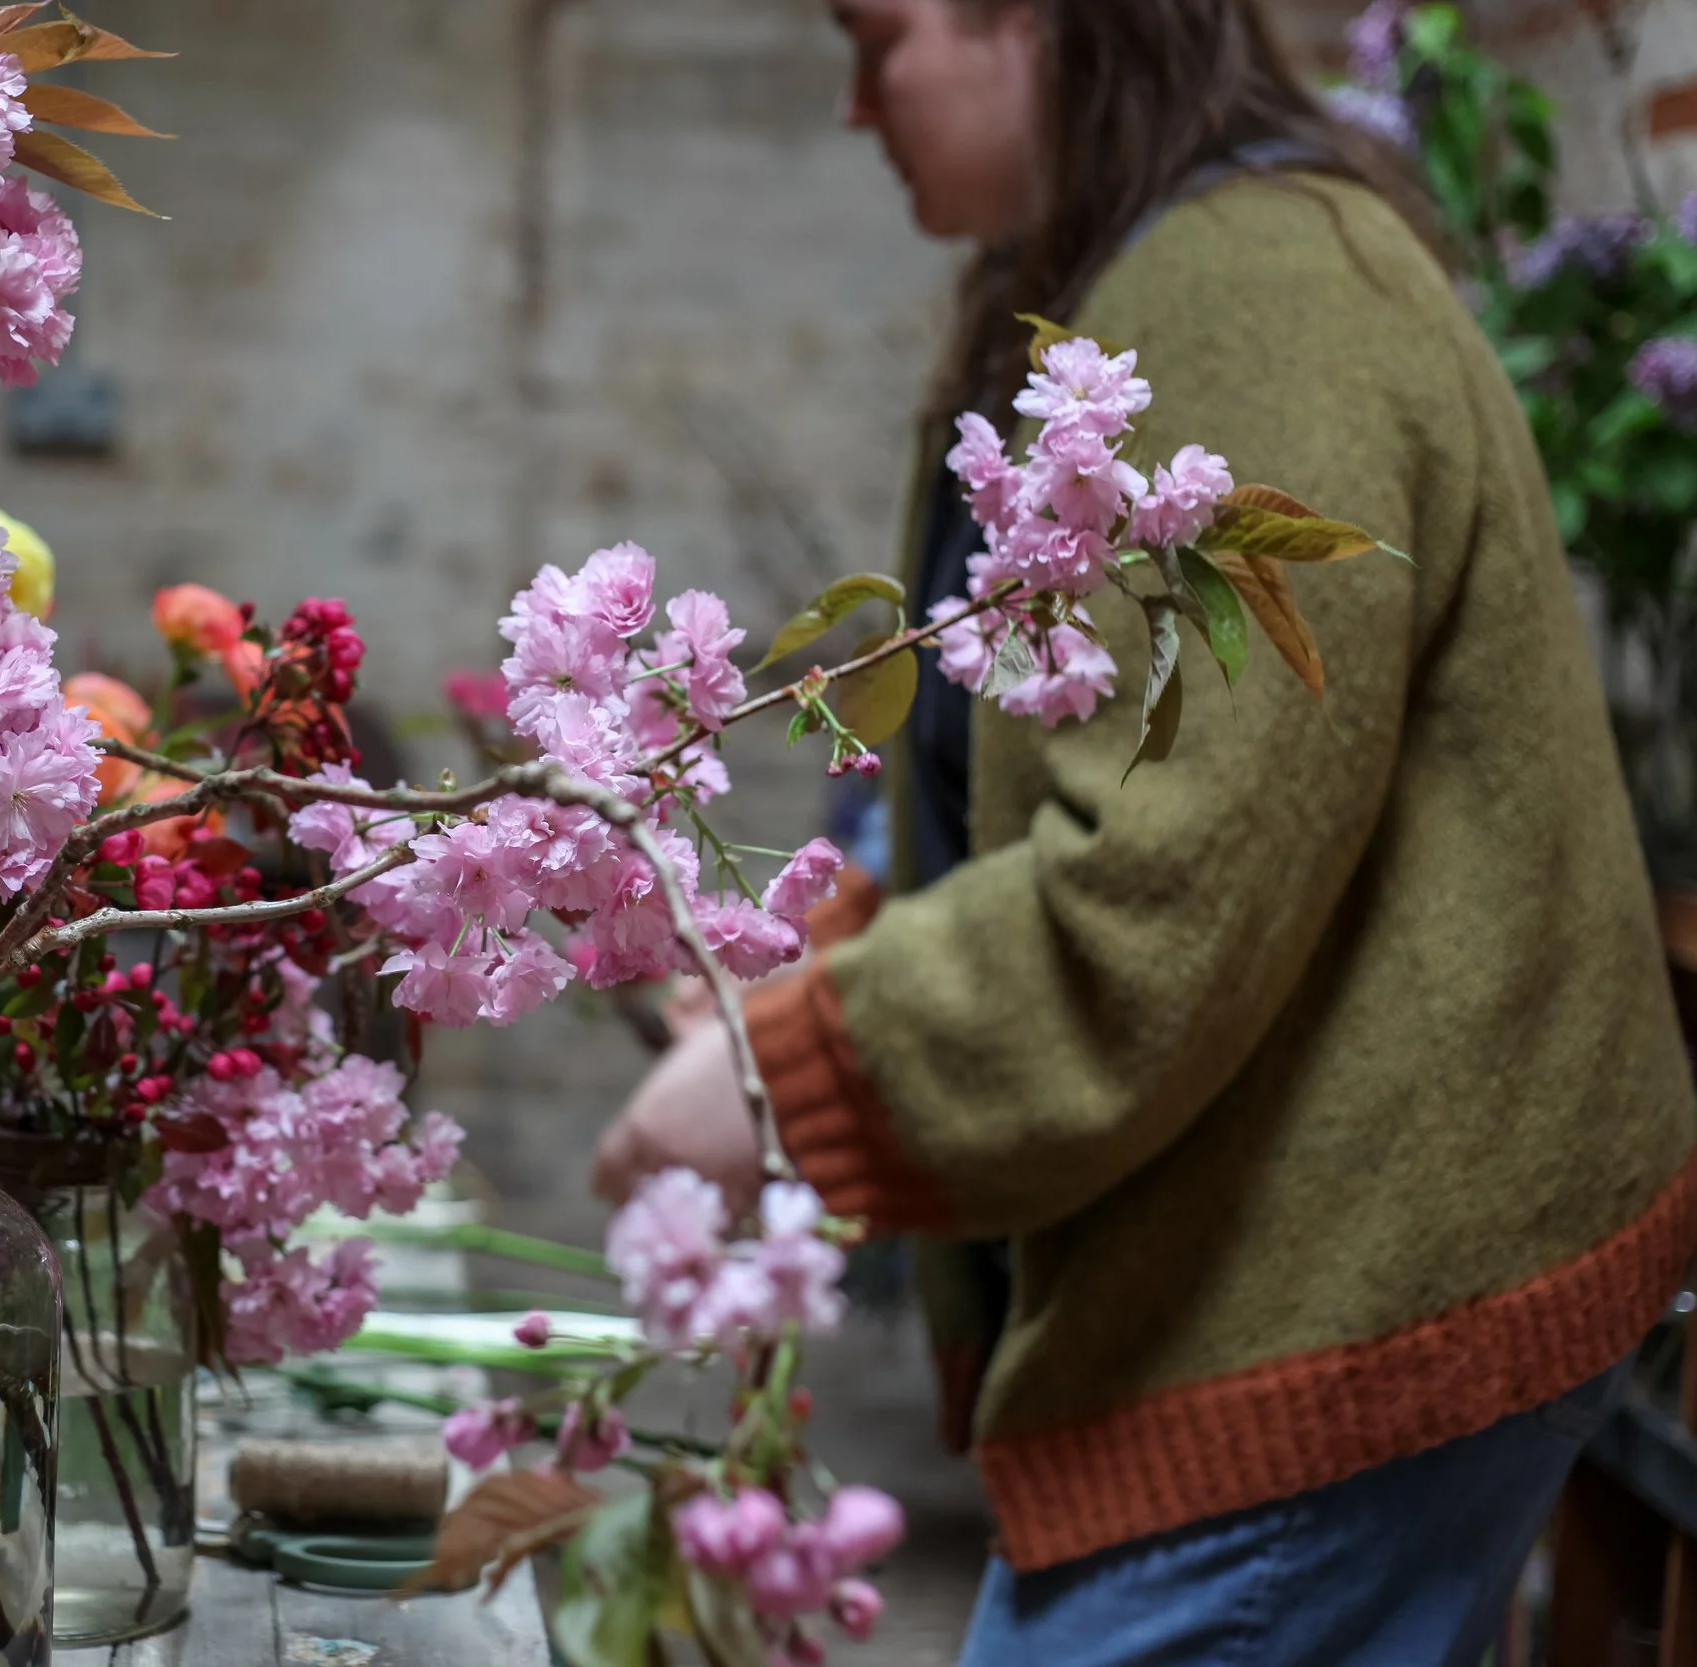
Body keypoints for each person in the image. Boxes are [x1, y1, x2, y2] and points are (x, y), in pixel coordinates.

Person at [589, 2, 1697, 1662]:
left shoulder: (1255, 285)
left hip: (1341, 1293)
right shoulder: (1138, 281)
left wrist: (787, 1074)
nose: (852, 106)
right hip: (1316, 1256)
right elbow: (1077, 798)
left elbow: (1166, 892)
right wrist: (827, 966)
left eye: (875, 39)